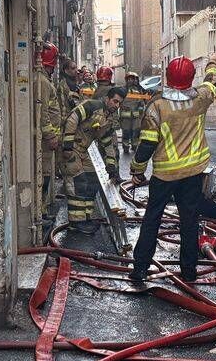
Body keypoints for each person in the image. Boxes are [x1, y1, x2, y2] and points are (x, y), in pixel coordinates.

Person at [130, 55, 216, 284]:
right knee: (189, 221)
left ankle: (140, 269)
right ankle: (189, 272)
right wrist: (213, 62)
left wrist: (137, 169)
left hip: (165, 175)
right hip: (192, 173)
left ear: (167, 76)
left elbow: (147, 144)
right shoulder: (201, 98)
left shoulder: (157, 105)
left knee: (152, 219)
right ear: (191, 77)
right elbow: (215, 84)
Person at [62, 86, 126, 234]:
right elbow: (72, 118)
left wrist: (111, 165)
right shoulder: (92, 106)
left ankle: (86, 217)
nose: (117, 105)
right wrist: (67, 146)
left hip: (82, 151)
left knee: (93, 180)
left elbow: (107, 142)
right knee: (78, 181)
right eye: (115, 101)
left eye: (119, 103)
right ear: (107, 99)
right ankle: (76, 222)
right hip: (71, 148)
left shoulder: (109, 118)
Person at [35, 43, 64, 230]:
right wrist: (51, 136)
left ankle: (43, 210)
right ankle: (40, 212)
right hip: (45, 141)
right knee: (43, 175)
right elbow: (43, 113)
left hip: (47, 140)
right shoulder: (43, 83)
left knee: (45, 175)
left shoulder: (44, 80)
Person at [119, 71, 145, 154]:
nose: (130, 81)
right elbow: (118, 101)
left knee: (136, 132)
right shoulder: (122, 89)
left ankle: (135, 146)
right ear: (126, 80)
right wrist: (122, 106)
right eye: (129, 79)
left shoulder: (139, 90)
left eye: (132, 79)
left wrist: (140, 109)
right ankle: (125, 147)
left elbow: (142, 102)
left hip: (136, 116)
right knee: (126, 132)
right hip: (125, 116)